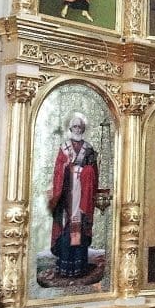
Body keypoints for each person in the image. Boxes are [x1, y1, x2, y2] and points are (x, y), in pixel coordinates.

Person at [48, 113, 99, 278]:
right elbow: (58, 170)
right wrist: (66, 167)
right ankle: (65, 265)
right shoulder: (64, 147)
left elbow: (93, 170)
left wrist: (87, 171)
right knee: (67, 226)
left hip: (83, 193)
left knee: (80, 227)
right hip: (67, 193)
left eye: (80, 126)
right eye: (75, 126)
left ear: (83, 128)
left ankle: (79, 266)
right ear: (70, 128)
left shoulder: (88, 148)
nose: (77, 128)